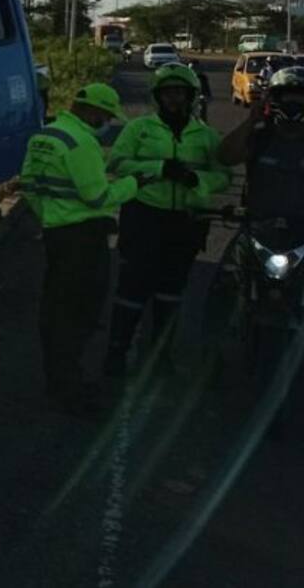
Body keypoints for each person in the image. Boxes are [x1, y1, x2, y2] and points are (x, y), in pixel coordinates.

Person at [103, 64, 230, 378]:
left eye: (180, 92)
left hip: (185, 222)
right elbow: (117, 163)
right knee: (132, 290)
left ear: (191, 96)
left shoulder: (206, 135)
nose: (174, 98)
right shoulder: (139, 128)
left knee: (170, 292)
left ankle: (159, 359)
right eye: (168, 93)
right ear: (157, 97)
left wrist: (196, 179)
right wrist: (159, 168)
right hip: (144, 217)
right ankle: (116, 354)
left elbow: (223, 176)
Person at [20, 83, 140, 416]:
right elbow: (98, 197)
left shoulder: (45, 136)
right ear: (92, 112)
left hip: (56, 234)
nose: (107, 122)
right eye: (106, 116)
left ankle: (57, 378)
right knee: (80, 312)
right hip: (84, 238)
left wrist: (49, 217)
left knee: (55, 309)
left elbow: (28, 185)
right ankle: (70, 388)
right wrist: (135, 184)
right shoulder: (81, 142)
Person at [218, 66, 304, 214]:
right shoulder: (260, 138)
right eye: (286, 99)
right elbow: (226, 157)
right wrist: (251, 121)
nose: (292, 106)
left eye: (299, 100)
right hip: (259, 223)